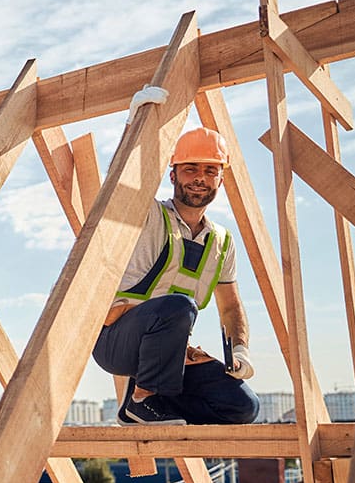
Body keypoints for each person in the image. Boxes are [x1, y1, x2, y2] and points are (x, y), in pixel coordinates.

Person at [92, 127, 259, 426]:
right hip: (117, 341)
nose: (200, 178)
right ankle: (142, 399)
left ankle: (154, 404)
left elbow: (231, 307)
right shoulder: (148, 215)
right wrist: (139, 123)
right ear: (172, 176)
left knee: (244, 407)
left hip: (169, 357)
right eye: (190, 169)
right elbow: (122, 182)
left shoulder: (220, 241)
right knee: (180, 306)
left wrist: (240, 350)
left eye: (210, 170)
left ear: (220, 179)